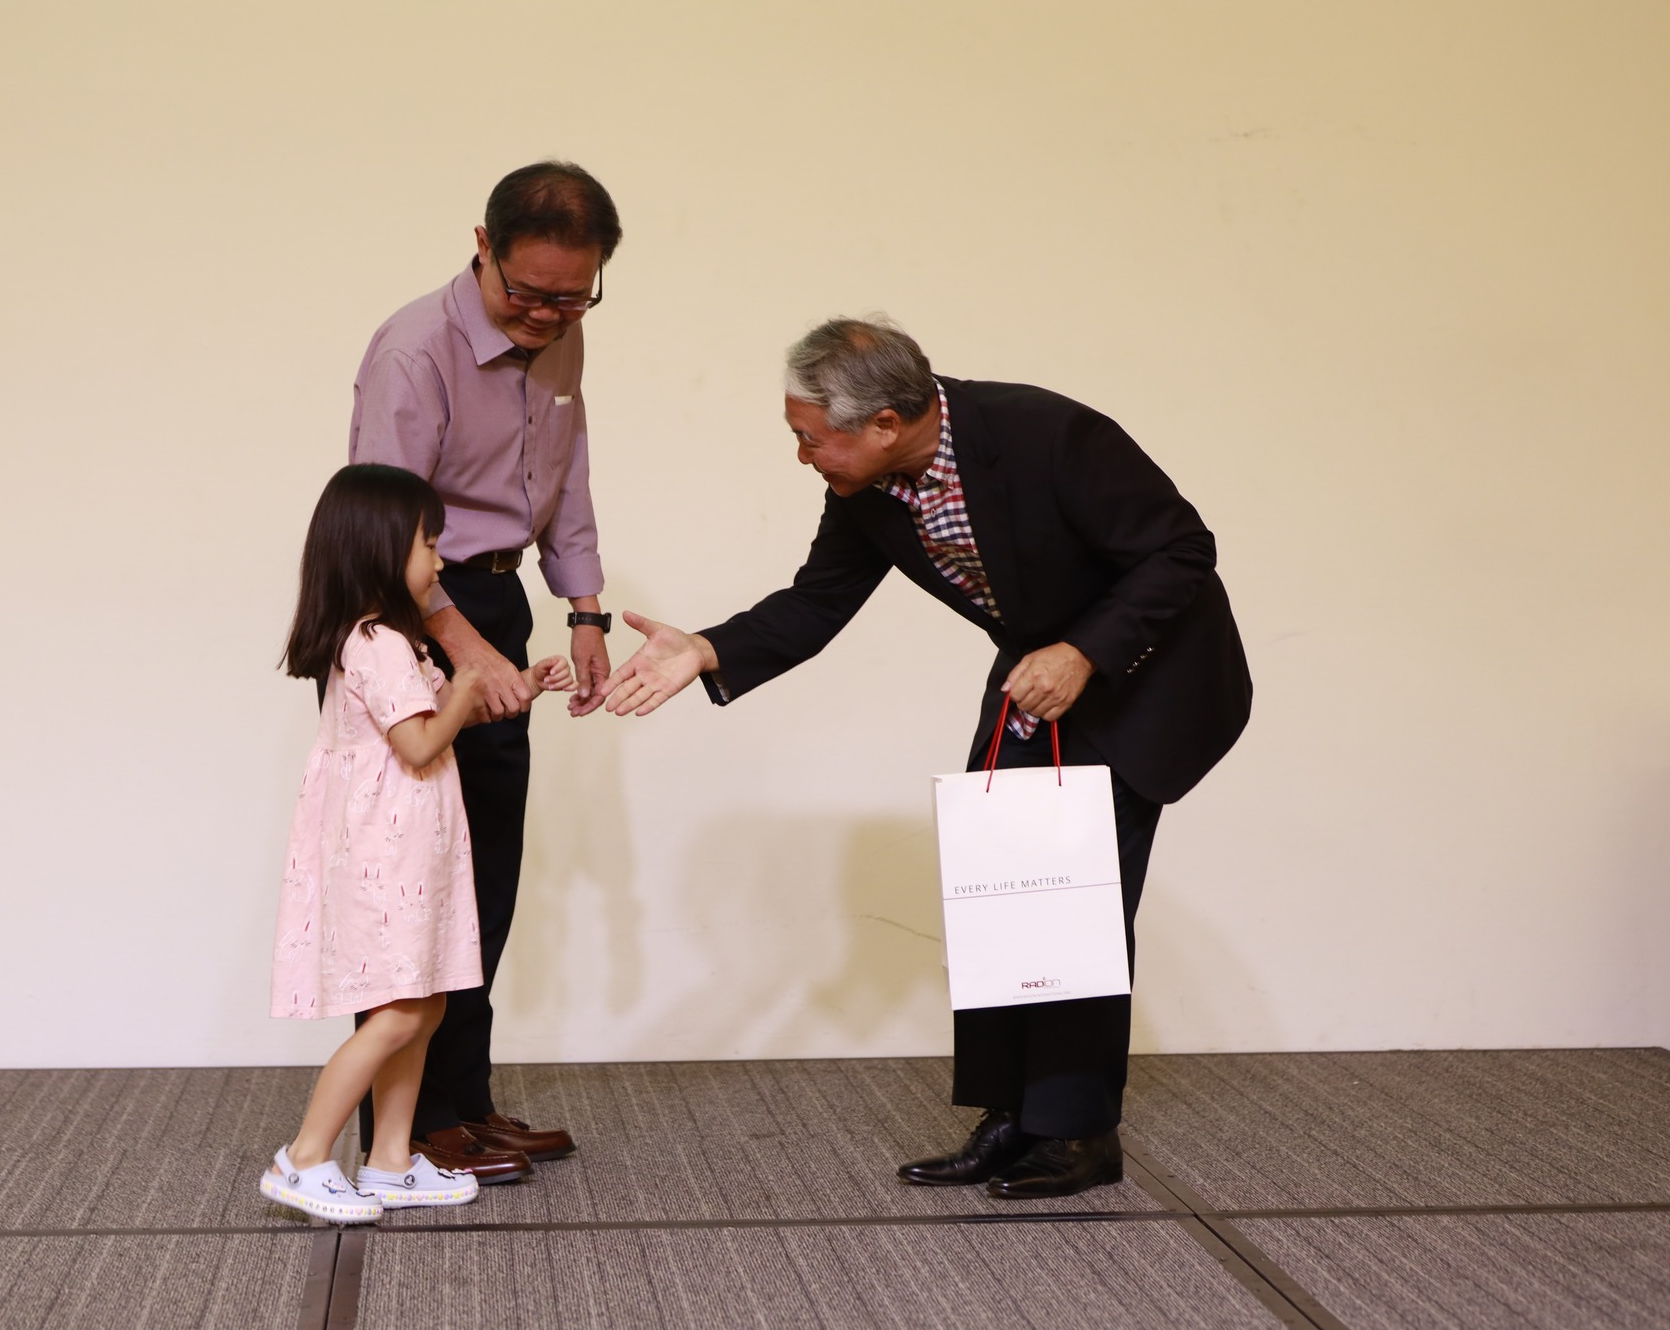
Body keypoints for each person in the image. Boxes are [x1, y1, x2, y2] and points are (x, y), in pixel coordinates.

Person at [602, 318, 1252, 1200]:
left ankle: (1078, 1134)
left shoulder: (1046, 433)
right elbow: (817, 601)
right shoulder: (866, 488)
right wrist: (707, 648)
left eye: (810, 437)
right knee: (1001, 886)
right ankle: (1012, 1117)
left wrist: (1083, 653)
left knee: (1074, 903)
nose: (802, 456)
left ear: (885, 422)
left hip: (1146, 674)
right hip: (1039, 673)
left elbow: (1181, 550)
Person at [344, 161, 622, 1181]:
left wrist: (582, 608)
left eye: (573, 297)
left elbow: (566, 475)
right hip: (413, 614)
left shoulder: (561, 334)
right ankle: (408, 1126)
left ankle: (463, 1101)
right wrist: (460, 646)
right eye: (529, 293)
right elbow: (383, 534)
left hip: (500, 601)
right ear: (482, 246)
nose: (548, 315)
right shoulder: (413, 350)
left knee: (484, 873)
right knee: (413, 884)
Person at [260, 464, 574, 1223]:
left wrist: (517, 684)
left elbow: (435, 719)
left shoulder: (396, 640)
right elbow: (420, 740)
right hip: (384, 858)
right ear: (378, 548)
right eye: (428, 543)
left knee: (426, 1006)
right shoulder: (374, 642)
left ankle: (391, 1161)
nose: (440, 561)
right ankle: (303, 1157)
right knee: (398, 1011)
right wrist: (468, 678)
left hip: (415, 853)